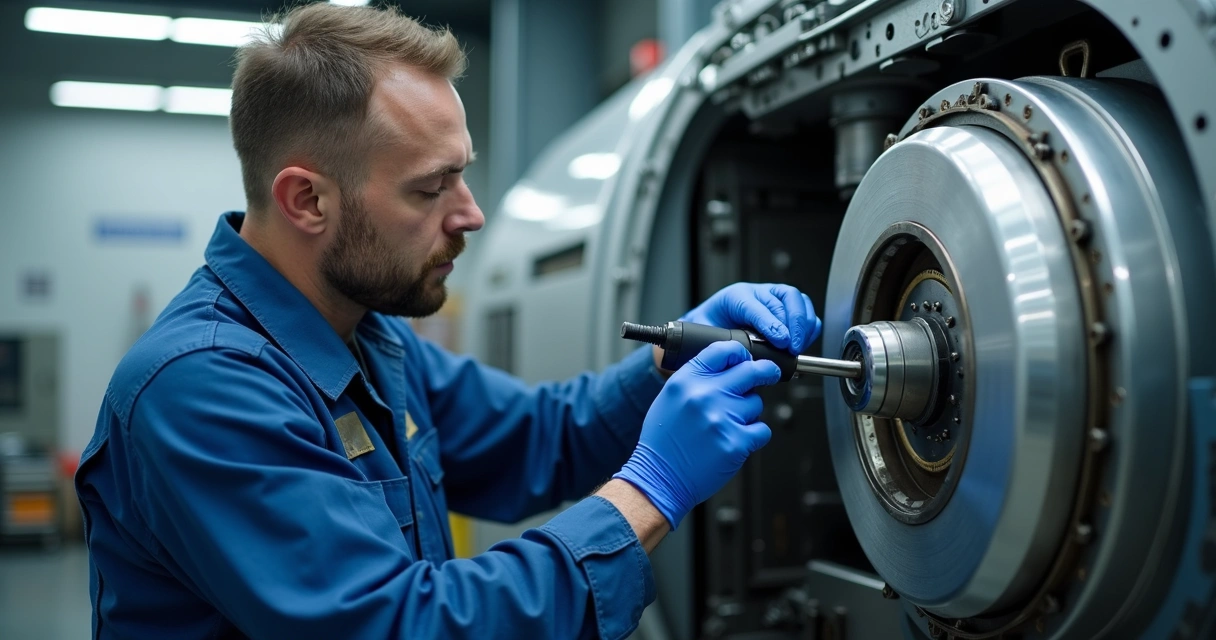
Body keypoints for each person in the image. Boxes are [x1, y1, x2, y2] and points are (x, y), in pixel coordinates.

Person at [74, 4, 822, 639]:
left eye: (462, 173)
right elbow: (402, 624)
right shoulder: (203, 389)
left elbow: (540, 439)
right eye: (431, 188)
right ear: (307, 200)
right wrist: (650, 492)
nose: (471, 214)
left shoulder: (367, 335)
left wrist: (667, 366)